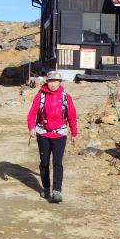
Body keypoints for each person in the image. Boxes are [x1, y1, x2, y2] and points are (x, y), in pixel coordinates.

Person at [26, 70, 77, 203]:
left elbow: (71, 116)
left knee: (57, 163)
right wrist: (31, 127)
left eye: (55, 81)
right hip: (43, 133)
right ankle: (46, 187)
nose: (53, 84)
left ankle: (57, 191)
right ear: (47, 82)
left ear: (59, 82)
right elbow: (32, 113)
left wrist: (74, 132)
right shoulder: (40, 96)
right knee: (44, 162)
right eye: (50, 81)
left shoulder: (66, 97)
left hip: (60, 134)